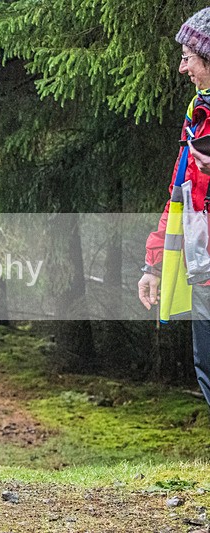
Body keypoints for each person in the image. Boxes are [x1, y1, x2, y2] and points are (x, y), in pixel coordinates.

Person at [139, 7, 210, 408]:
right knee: (206, 367)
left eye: (189, 58)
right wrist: (153, 266)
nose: (183, 68)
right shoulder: (195, 115)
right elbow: (177, 197)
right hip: (204, 271)